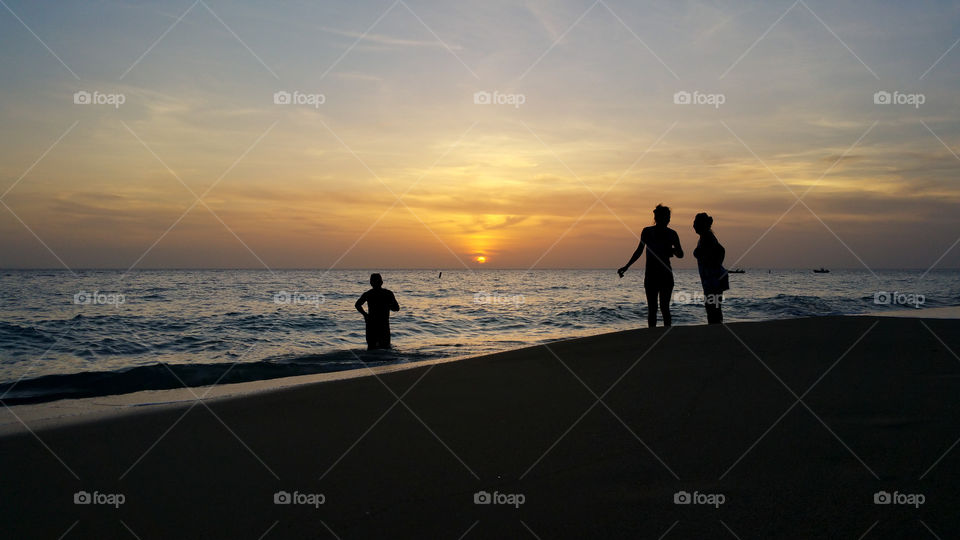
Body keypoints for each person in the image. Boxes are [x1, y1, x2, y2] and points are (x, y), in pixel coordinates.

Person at [617, 204, 683, 327]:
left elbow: (681, 254)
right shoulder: (647, 232)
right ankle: (652, 334)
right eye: (666, 217)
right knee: (652, 309)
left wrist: (672, 250)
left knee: (664, 308)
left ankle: (666, 333)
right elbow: (639, 251)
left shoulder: (672, 234)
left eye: (668, 217)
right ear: (657, 218)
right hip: (651, 275)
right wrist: (626, 266)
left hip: (665, 275)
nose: (668, 220)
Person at [693, 212, 728, 324]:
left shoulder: (707, 237)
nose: (694, 225)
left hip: (712, 278)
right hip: (711, 278)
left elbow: (721, 251)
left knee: (712, 306)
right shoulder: (705, 237)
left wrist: (714, 264)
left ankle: (715, 327)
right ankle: (716, 326)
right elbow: (721, 250)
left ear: (702, 225)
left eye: (696, 223)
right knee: (713, 306)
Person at [355, 273, 400, 350]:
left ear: (371, 283)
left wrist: (365, 315)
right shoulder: (388, 293)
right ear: (381, 282)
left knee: (371, 348)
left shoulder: (368, 294)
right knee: (385, 348)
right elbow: (396, 308)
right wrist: (387, 305)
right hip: (383, 324)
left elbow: (357, 305)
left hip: (371, 324)